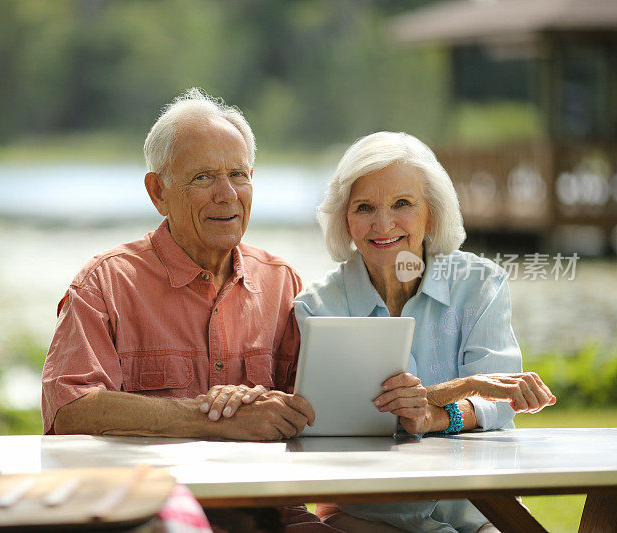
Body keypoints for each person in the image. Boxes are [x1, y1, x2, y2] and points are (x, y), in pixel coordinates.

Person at [42, 87, 331, 531]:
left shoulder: (282, 283)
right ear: (158, 192)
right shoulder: (105, 284)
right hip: (149, 514)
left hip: (270, 516)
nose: (227, 194)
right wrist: (210, 417)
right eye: (203, 177)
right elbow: (70, 411)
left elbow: (317, 413)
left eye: (239, 174)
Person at [294, 131, 556, 533]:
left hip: (481, 512)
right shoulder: (316, 306)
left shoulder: (479, 283)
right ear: (345, 220)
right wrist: (461, 387)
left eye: (402, 203)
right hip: (371, 517)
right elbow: (329, 421)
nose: (383, 224)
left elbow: (500, 401)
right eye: (364, 207)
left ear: (431, 213)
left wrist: (437, 416)